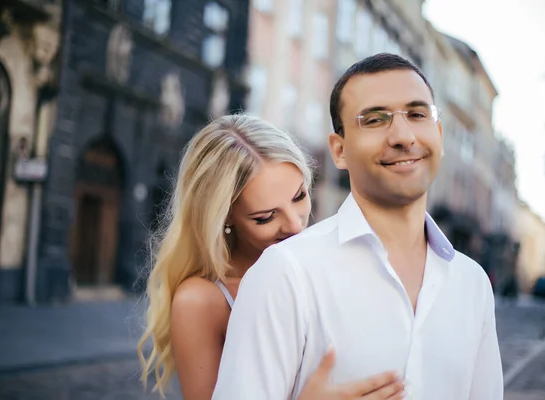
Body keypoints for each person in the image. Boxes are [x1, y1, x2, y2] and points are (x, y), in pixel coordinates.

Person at [213, 54, 504, 399]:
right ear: (339, 150)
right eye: (375, 119)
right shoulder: (285, 274)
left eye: (416, 114)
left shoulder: (472, 284)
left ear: (437, 133)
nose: (402, 135)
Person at [137, 114, 406, 399]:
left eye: (300, 196)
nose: (294, 225)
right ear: (224, 217)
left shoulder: (333, 260)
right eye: (265, 217)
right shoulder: (201, 301)